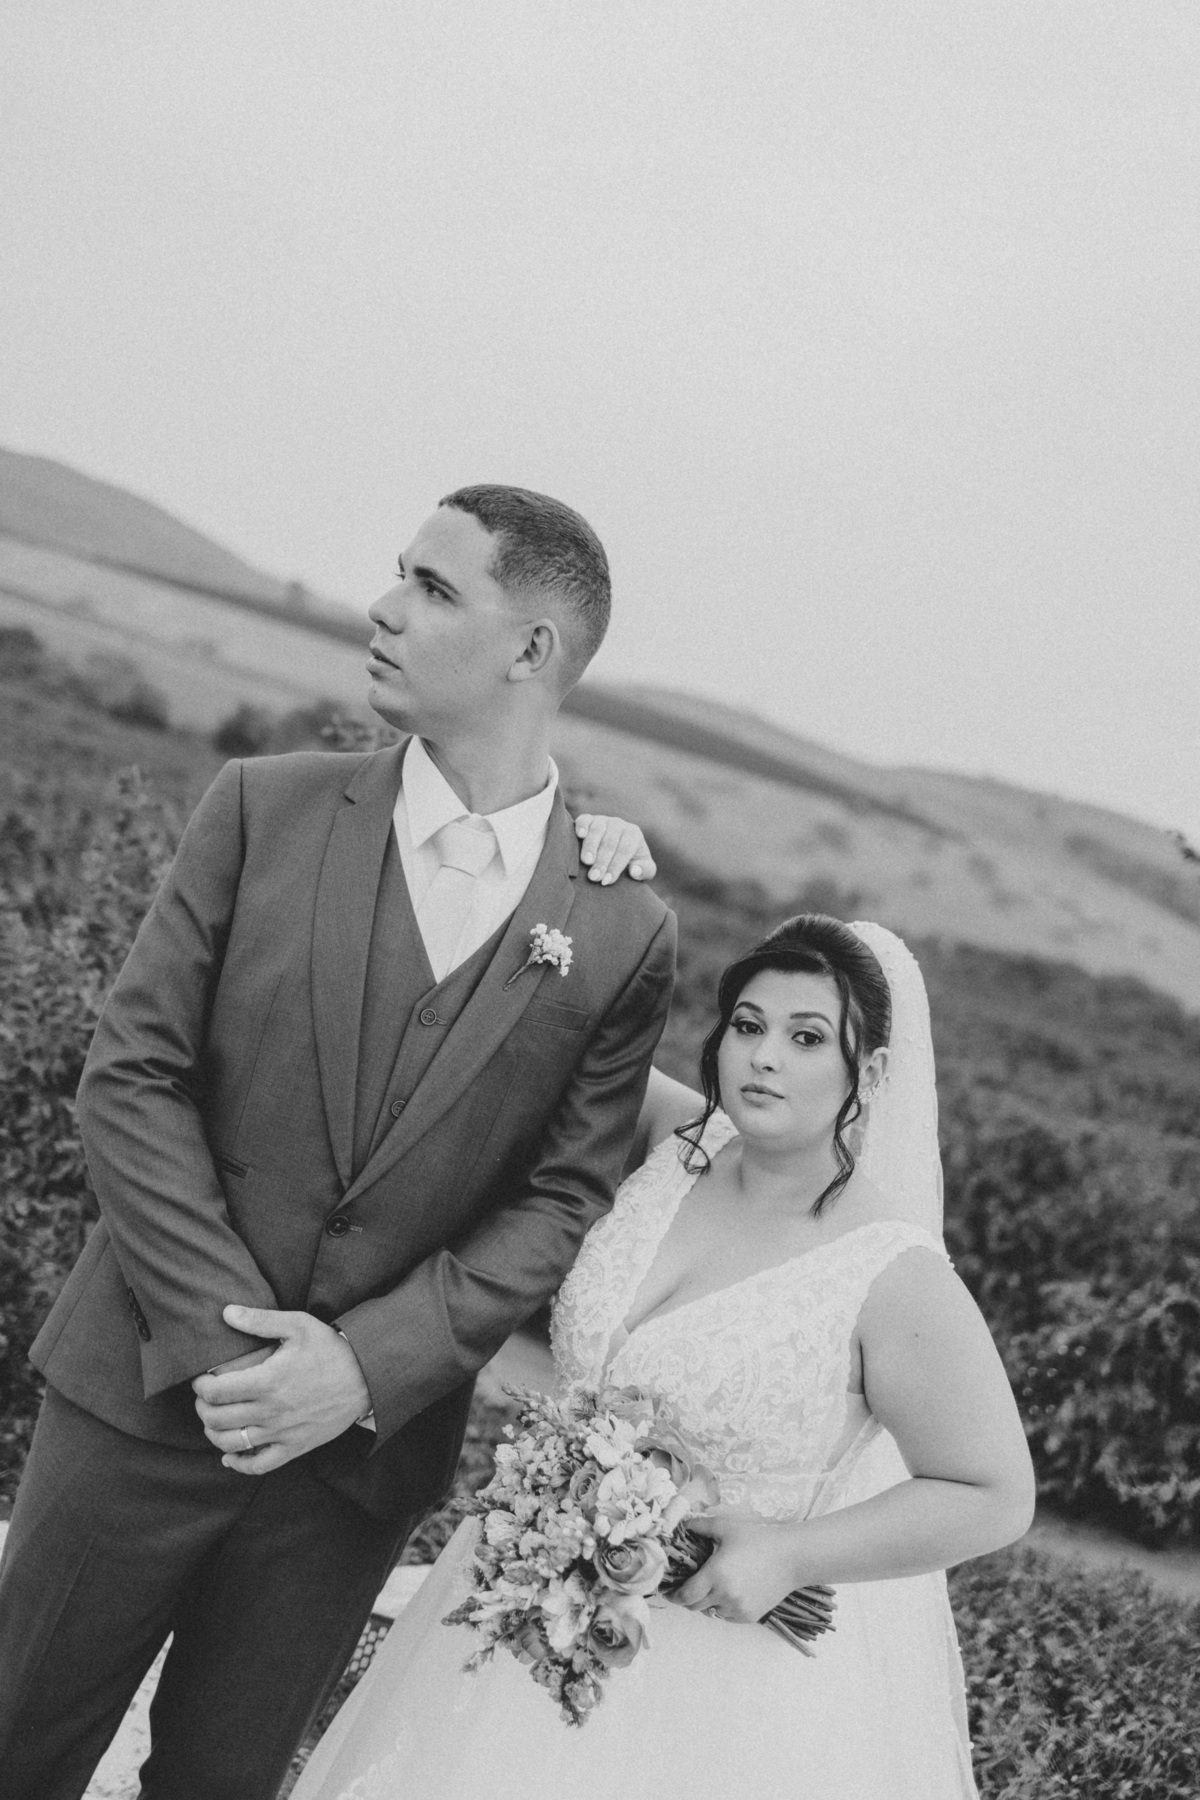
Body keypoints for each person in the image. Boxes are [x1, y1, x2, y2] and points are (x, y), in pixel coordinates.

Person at [0, 485, 676, 1800]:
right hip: (143, 1397)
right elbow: (131, 1077)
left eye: (434, 588)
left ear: (532, 649)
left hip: (350, 1470)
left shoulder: (618, 927)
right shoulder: (262, 807)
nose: (382, 608)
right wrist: (236, 1353)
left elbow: (561, 1200)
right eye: (399, 575)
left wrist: (362, 1370)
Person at [293, 913, 1036, 1800]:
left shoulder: (893, 1272)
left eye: (806, 1038)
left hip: (708, 1677)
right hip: (528, 1594)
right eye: (749, 1026)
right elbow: (547, 1027)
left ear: (870, 1073)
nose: (764, 1057)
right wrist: (598, 865)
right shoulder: (671, 1140)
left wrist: (791, 1556)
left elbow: (995, 1493)